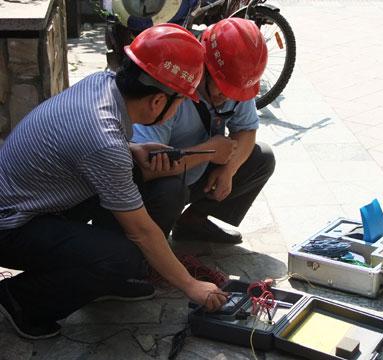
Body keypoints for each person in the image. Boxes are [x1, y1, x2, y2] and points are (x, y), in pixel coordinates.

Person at [0, 24, 227, 340]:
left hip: (36, 201)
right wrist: (190, 285)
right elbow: (142, 232)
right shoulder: (104, 141)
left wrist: (133, 149)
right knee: (125, 256)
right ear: (158, 102)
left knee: (150, 183)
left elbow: (88, 145)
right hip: (10, 226)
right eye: (179, 103)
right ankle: (22, 300)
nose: (179, 109)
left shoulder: (102, 84)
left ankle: (103, 280)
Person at [132, 18, 275, 244]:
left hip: (197, 173)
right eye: (221, 86)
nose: (227, 96)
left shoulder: (237, 83)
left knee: (261, 158)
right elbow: (147, 166)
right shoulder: (173, 84)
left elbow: (247, 130)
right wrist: (209, 151)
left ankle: (193, 222)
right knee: (169, 190)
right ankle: (147, 246)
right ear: (204, 65)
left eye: (235, 91)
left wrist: (229, 169)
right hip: (158, 180)